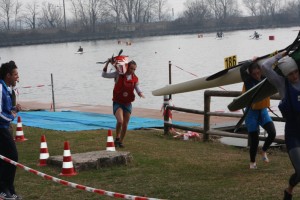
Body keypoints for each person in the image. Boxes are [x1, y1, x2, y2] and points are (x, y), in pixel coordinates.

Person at [260, 51, 300, 200]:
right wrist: (280, 55)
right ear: (285, 75)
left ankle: (289, 190)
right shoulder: (282, 84)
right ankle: (289, 191)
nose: (294, 76)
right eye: (290, 74)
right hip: (293, 134)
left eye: (296, 72)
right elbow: (265, 66)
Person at [240, 60, 276, 169]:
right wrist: (252, 61)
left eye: (258, 72)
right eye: (254, 74)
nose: (256, 75)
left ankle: (263, 150)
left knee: (272, 133)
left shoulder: (265, 77)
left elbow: (270, 65)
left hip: (263, 111)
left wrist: (260, 62)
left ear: (260, 70)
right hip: (251, 112)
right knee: (254, 139)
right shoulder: (248, 81)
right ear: (250, 74)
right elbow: (242, 69)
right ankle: (252, 162)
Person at [102, 59, 145, 148]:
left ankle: (120, 142)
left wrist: (140, 93)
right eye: (131, 68)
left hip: (128, 103)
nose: (132, 71)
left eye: (134, 69)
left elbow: (137, 88)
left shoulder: (135, 78)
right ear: (127, 67)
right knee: (120, 121)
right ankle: (117, 137)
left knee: (125, 124)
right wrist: (107, 64)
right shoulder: (118, 74)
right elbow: (104, 75)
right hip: (118, 102)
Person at [0, 61, 22, 200]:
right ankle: (3, 189)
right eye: (15, 74)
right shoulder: (0, 88)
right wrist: (11, 117)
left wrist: (14, 110)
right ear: (8, 75)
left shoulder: (6, 88)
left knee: (6, 159)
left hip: (4, 127)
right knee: (12, 157)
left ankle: (9, 189)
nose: (17, 77)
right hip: (1, 128)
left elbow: (6, 111)